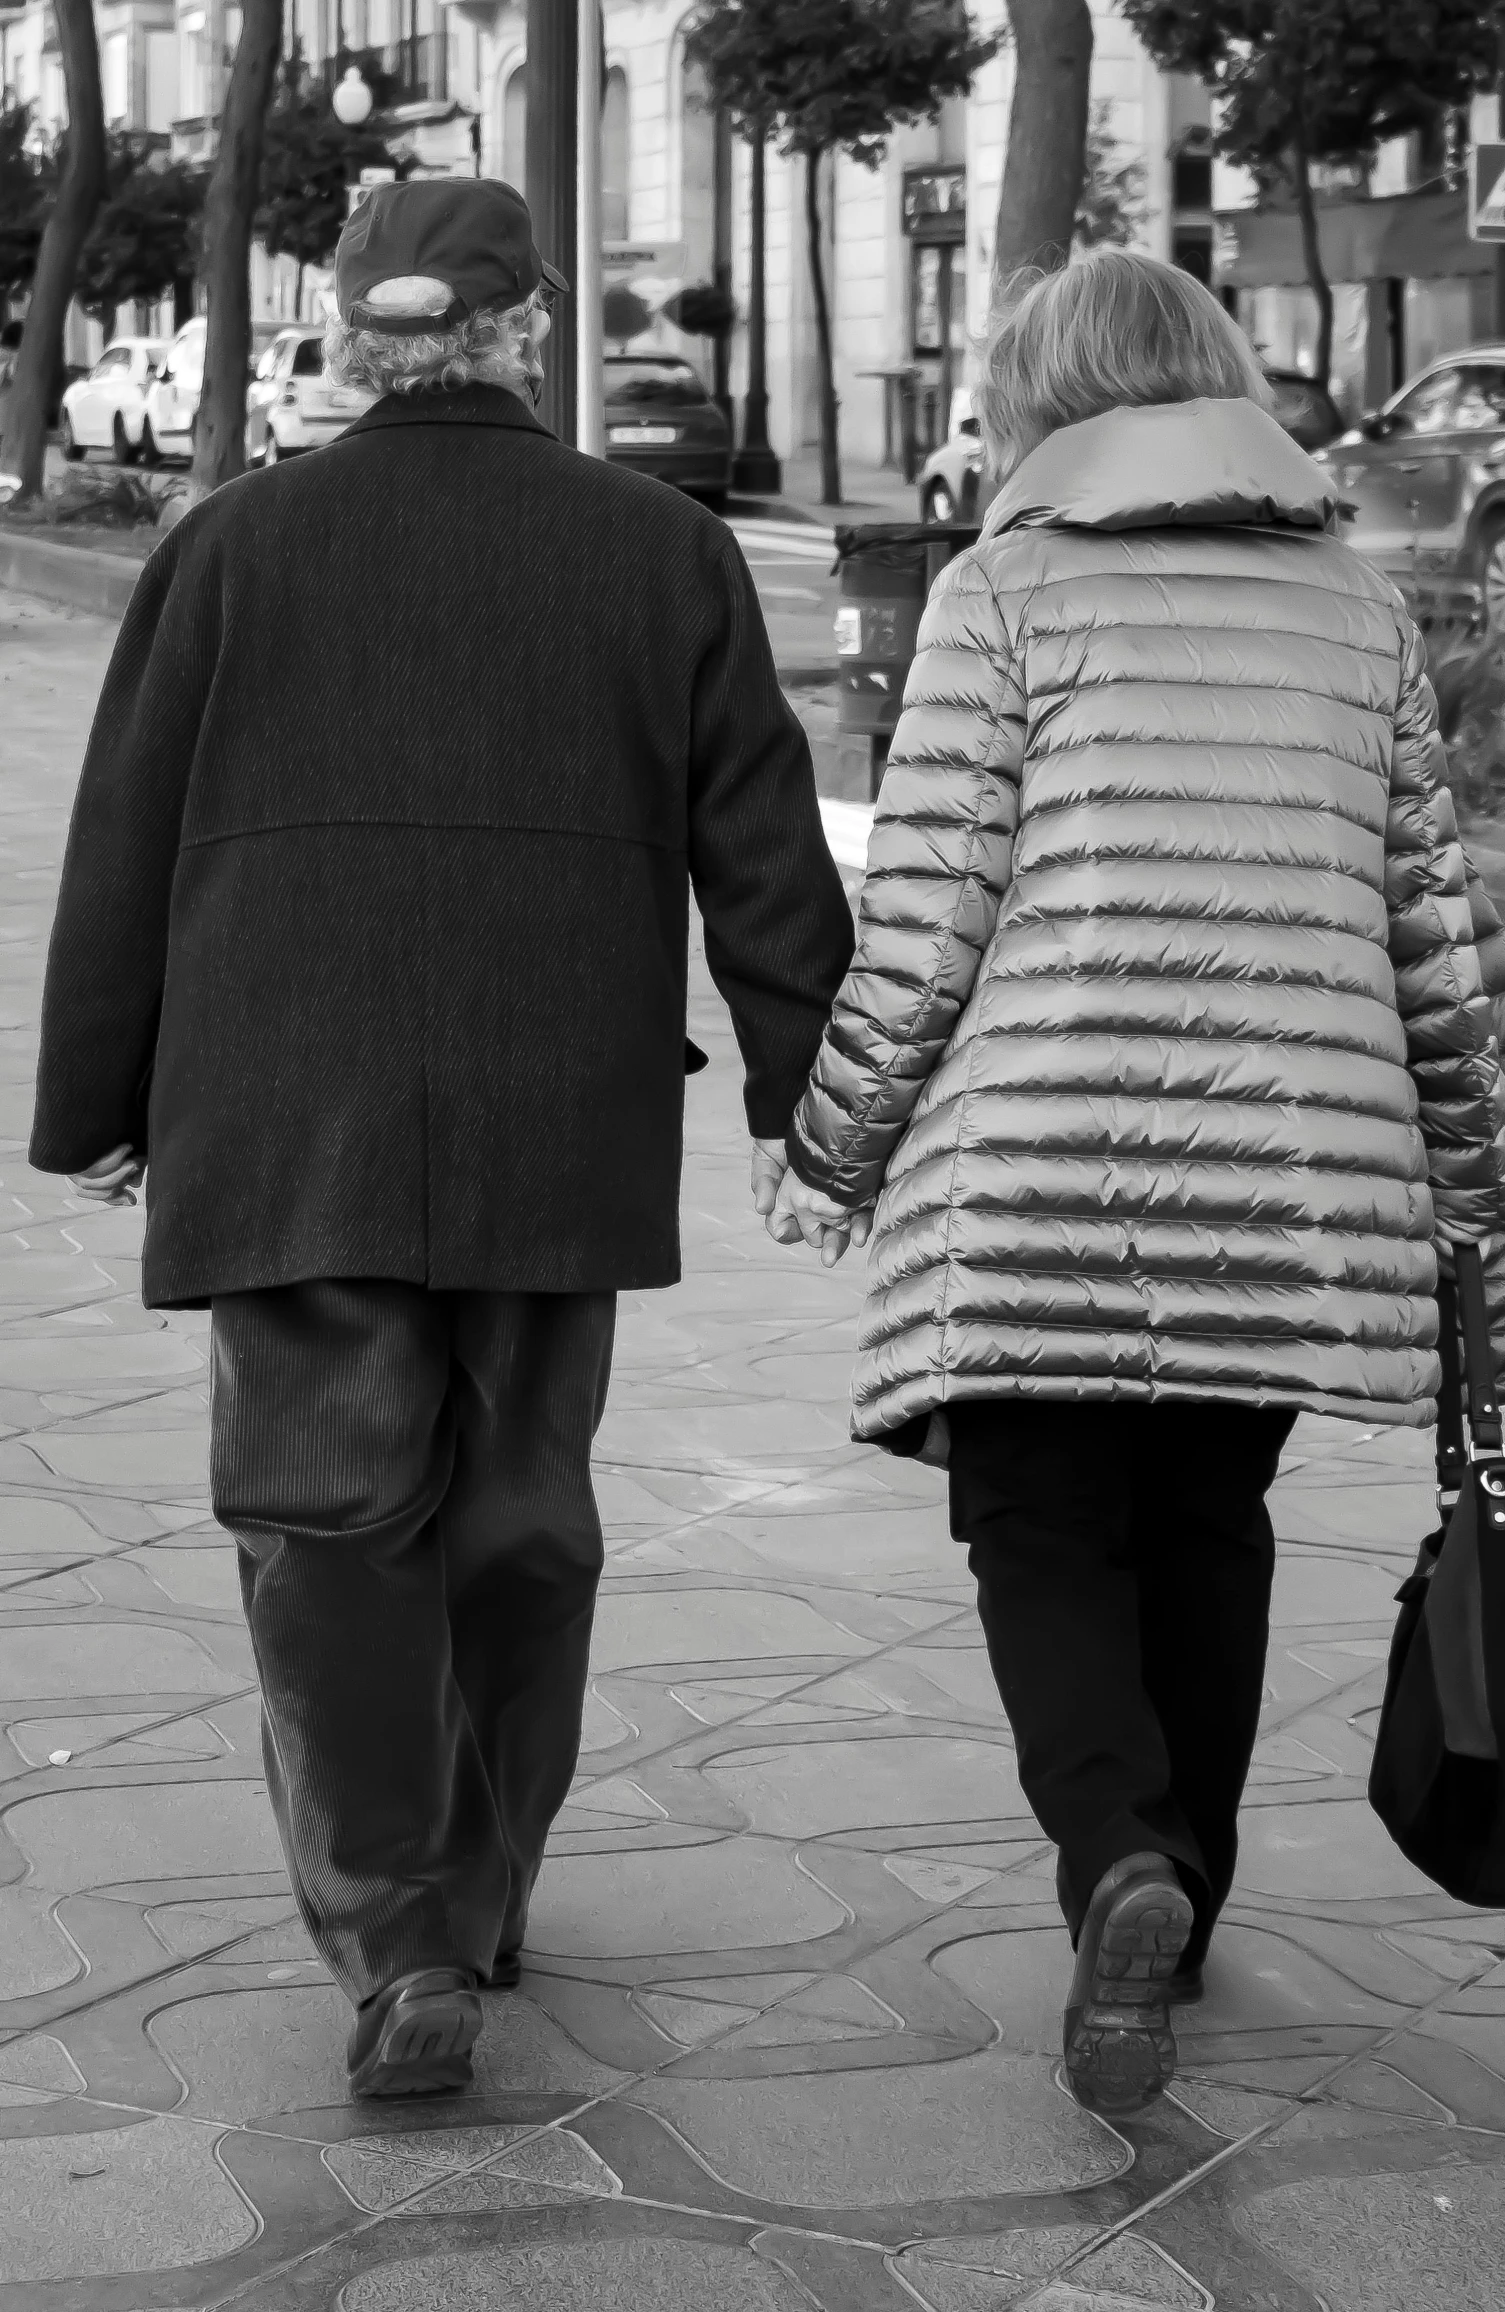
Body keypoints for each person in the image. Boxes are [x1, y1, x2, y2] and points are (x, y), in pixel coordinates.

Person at [30, 178, 855, 2100]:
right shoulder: (659, 551)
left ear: (347, 334)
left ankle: (398, 1932)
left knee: (327, 1522)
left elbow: (125, 841)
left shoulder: (230, 545)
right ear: (527, 329)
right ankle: (478, 1898)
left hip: (284, 1099)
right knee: (519, 1517)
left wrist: (100, 1101)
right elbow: (763, 855)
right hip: (550, 1108)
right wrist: (806, 1101)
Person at [767, 247, 1505, 2119]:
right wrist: (1472, 1176)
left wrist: (834, 1148)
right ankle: (1188, 1868)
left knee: (1038, 1516)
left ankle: (1121, 1858)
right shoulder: (1354, 613)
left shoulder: (999, 591)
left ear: (1039, 395)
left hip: (1039, 1160)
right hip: (1287, 1165)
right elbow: (1430, 925)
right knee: (1204, 1515)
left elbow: (932, 909)